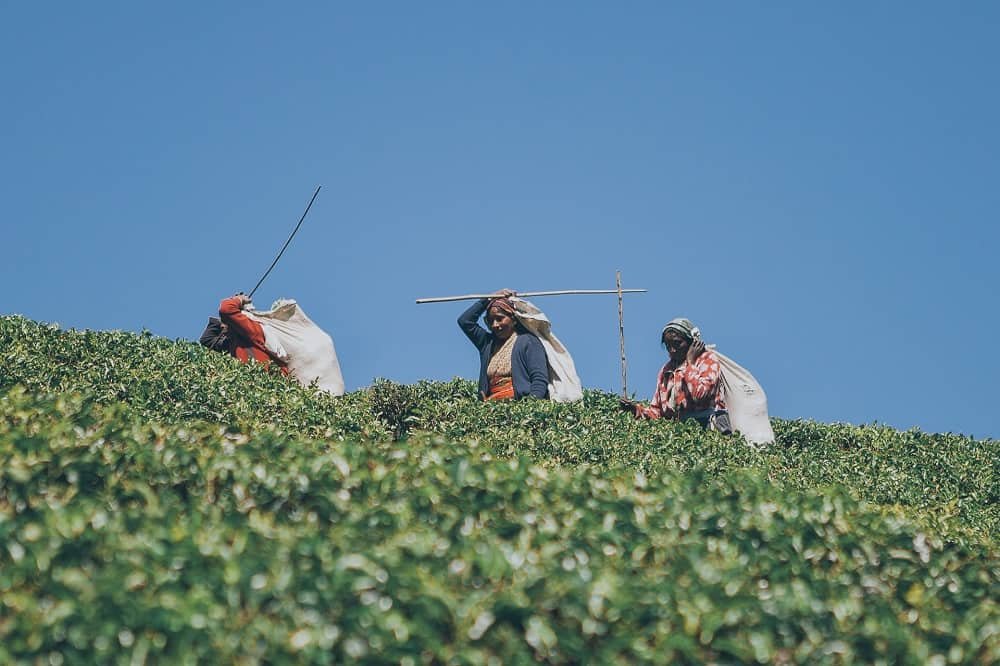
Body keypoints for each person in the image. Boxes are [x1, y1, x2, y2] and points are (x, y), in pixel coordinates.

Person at [620, 317, 732, 433]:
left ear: (692, 342)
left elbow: (699, 395)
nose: (672, 350)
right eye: (668, 346)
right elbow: (657, 412)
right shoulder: (666, 371)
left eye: (677, 343)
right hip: (682, 432)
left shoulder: (707, 360)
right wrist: (635, 410)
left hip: (710, 426)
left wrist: (690, 363)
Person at [458, 289, 550, 400]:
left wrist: (531, 406)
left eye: (500, 319)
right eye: (491, 321)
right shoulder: (487, 344)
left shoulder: (527, 342)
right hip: (491, 410)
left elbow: (539, 379)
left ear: (514, 319)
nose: (495, 325)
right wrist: (489, 298)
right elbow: (465, 321)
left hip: (519, 407)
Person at [199, 293, 287, 373]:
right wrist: (221, 320)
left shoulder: (252, 330)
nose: (221, 327)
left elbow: (226, 309)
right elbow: (206, 340)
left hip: (263, 380)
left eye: (225, 322)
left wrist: (239, 299)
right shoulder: (233, 342)